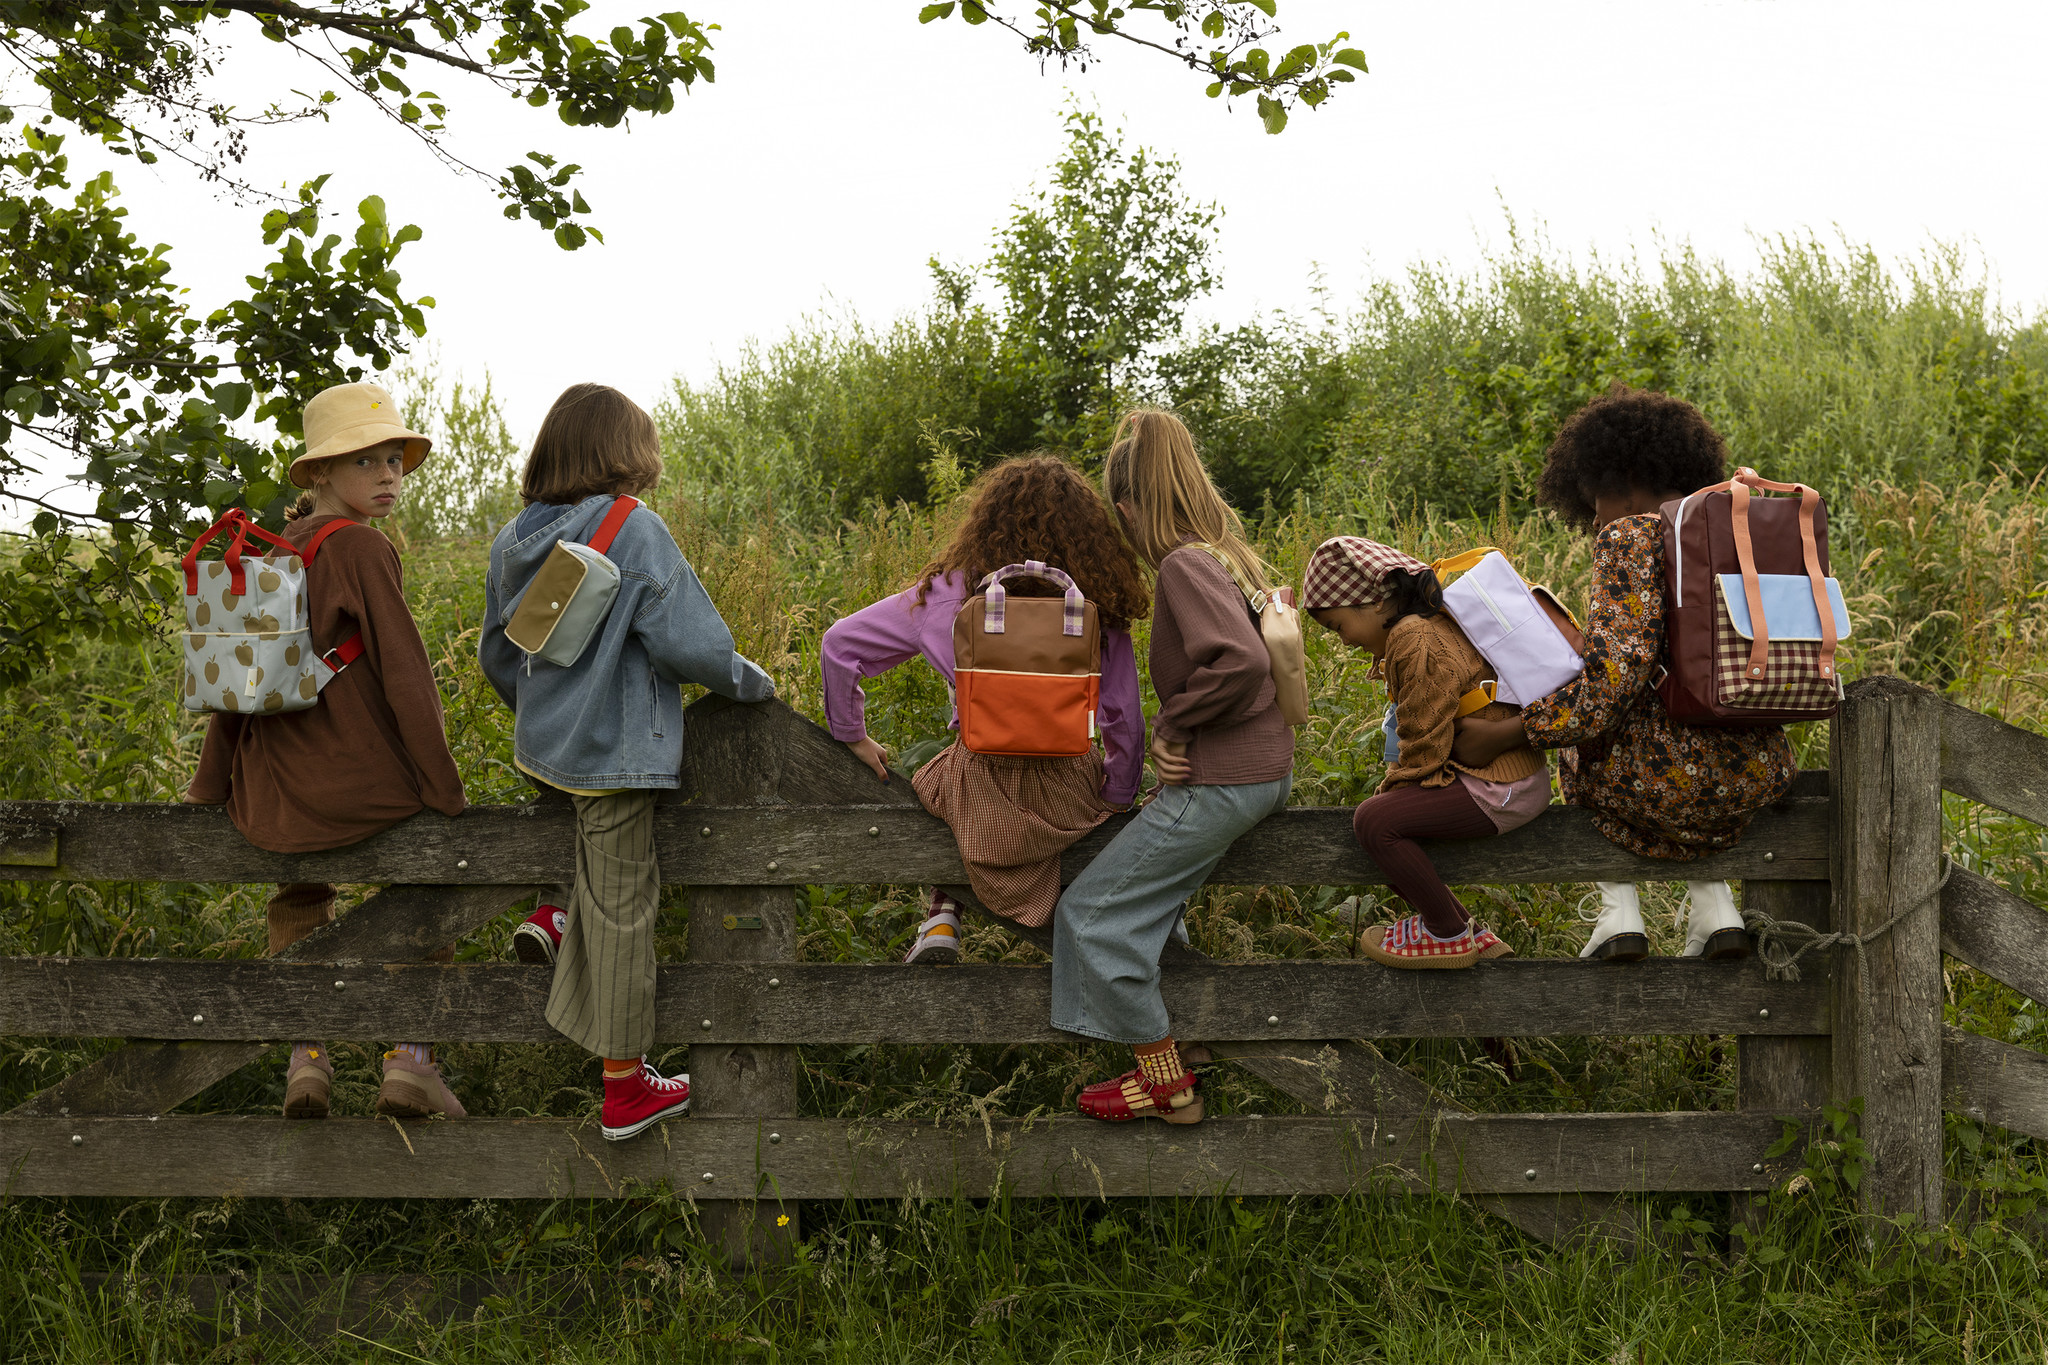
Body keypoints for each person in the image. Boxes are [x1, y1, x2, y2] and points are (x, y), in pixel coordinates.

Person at [480, 383, 775, 1142]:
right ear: (622, 454)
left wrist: (546, 714)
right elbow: (692, 643)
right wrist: (753, 683)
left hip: (546, 751)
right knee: (623, 904)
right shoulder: (634, 529)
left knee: (579, 861)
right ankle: (623, 1087)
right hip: (616, 756)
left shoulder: (514, 539)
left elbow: (498, 655)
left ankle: (553, 913)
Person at [185, 380, 469, 1121]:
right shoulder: (363, 549)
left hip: (275, 793)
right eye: (365, 461)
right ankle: (410, 1060)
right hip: (360, 784)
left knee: (299, 892)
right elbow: (408, 677)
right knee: (429, 887)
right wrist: (444, 789)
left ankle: (307, 1056)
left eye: (394, 461)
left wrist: (210, 786)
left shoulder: (269, 551)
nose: (387, 476)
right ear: (318, 474)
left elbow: (235, 685)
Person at [1452, 385, 1794, 961]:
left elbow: (1612, 683)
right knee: (1655, 725)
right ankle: (1716, 913)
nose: (1593, 523)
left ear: (1620, 481)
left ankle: (1619, 917)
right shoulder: (1741, 529)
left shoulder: (1634, 536)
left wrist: (1508, 733)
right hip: (1755, 770)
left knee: (1577, 741)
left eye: (1594, 506)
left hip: (1663, 786)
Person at [1054, 408, 1294, 1126]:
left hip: (1221, 781)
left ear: (1128, 509)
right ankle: (1186, 1038)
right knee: (1153, 904)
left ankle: (1164, 1078)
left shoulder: (1184, 564)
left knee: (1091, 916)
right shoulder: (1226, 553)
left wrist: (1174, 720)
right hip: (1261, 771)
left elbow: (1241, 661)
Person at [821, 454, 1150, 958]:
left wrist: (852, 734)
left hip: (979, 790)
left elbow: (840, 646)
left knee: (931, 778)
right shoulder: (1093, 603)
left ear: (987, 522)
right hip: (1066, 793)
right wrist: (1118, 790)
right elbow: (1123, 715)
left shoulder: (949, 594)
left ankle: (942, 915)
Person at [1302, 537, 1548, 967]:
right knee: (1382, 818)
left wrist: (1393, 790)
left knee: (1375, 823)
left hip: (1500, 784)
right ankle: (1469, 932)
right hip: (1507, 778)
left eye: (1339, 627)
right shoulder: (1426, 626)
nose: (1342, 642)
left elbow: (1424, 738)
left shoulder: (1412, 637)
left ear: (1376, 601)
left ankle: (1447, 933)